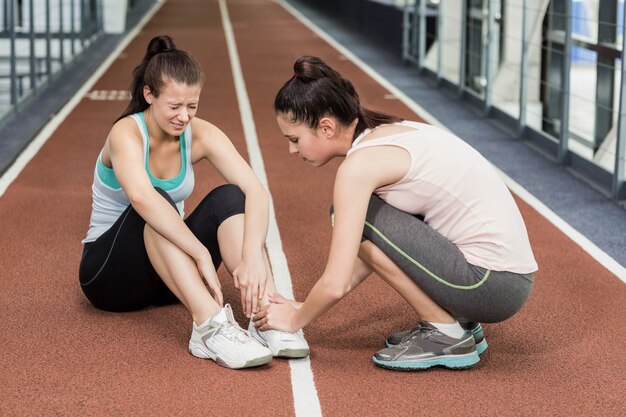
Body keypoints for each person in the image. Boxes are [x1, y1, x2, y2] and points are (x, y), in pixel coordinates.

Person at [253, 56, 537, 370]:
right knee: (364, 217)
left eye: (294, 140)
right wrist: (306, 304)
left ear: (326, 127)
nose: (293, 151)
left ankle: (444, 332)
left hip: (490, 286)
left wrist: (294, 318)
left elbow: (335, 282)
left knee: (345, 213)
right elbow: (377, 252)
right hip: (503, 281)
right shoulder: (391, 129)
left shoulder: (359, 168)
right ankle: (457, 324)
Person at [78, 35, 309, 370]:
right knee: (156, 203)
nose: (184, 117)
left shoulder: (200, 134)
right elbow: (142, 198)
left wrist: (252, 258)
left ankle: (266, 312)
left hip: (170, 277)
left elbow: (256, 192)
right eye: (174, 106)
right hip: (110, 278)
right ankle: (208, 326)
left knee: (230, 196)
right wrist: (200, 253)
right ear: (148, 95)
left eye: (192, 106)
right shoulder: (125, 135)